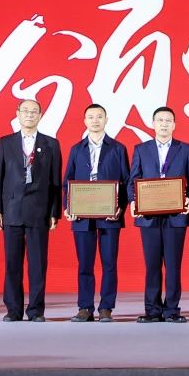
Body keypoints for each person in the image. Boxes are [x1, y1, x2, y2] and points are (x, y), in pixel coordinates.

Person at [127, 106, 189, 323]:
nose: (164, 124)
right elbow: (133, 180)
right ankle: (152, 310)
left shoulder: (186, 149)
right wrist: (133, 201)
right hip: (148, 216)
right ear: (153, 124)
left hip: (176, 216)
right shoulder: (141, 149)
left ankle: (171, 310)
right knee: (152, 265)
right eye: (160, 120)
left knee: (173, 265)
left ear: (174, 125)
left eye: (168, 120)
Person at [0, 99, 62, 322]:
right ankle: (13, 309)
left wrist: (54, 212)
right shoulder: (5, 143)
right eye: (25, 111)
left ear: (40, 115)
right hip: (12, 210)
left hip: (39, 211)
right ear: (18, 114)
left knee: (38, 264)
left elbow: (55, 181)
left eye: (34, 111)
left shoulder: (51, 144)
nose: (29, 115)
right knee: (12, 263)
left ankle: (36, 310)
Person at [63, 103, 130, 322]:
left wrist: (120, 208)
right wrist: (68, 207)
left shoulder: (118, 148)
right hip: (82, 216)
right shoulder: (76, 149)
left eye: (99, 116)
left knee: (109, 263)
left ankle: (106, 307)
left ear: (106, 120)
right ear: (85, 121)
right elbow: (67, 182)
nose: (95, 120)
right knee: (85, 263)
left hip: (110, 215)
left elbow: (127, 181)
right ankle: (85, 307)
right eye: (90, 117)